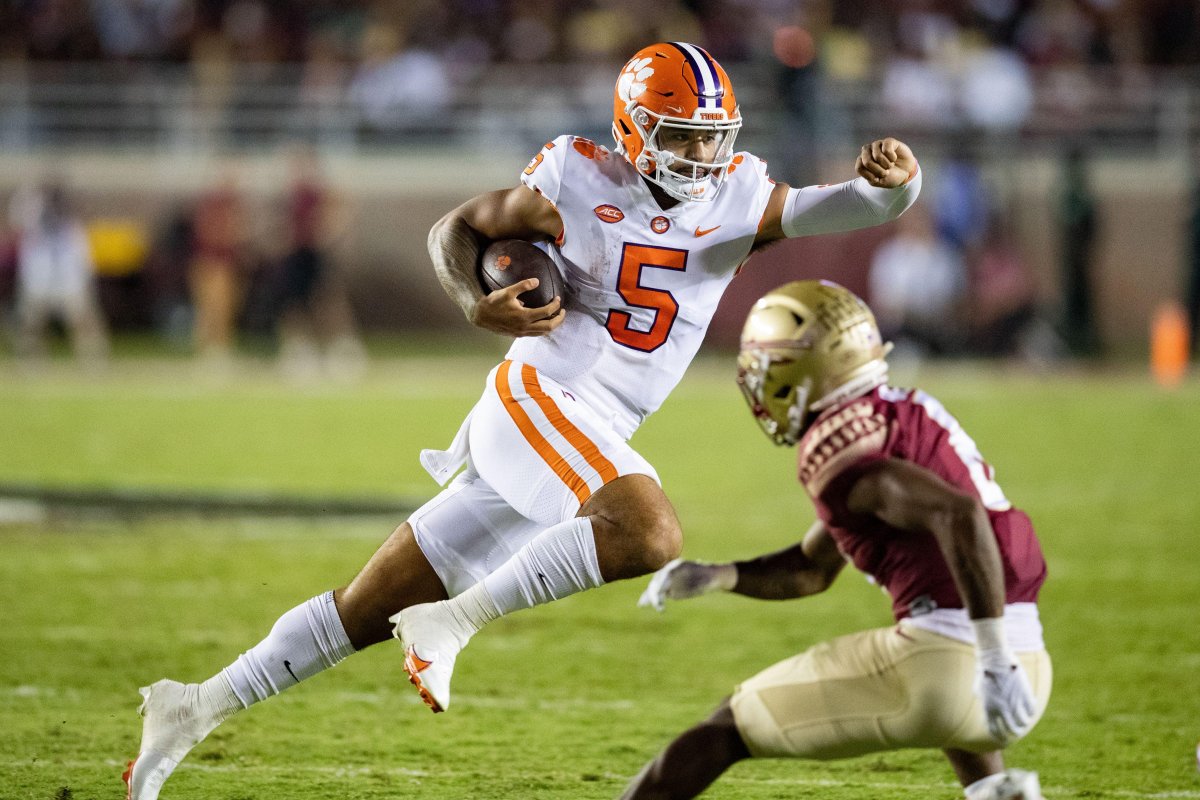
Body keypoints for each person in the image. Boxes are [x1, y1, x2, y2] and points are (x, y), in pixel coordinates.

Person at [124, 42, 922, 799]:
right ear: (634, 130)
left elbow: (855, 204)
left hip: (592, 426)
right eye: (682, 138)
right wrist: (478, 300)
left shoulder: (743, 196)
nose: (702, 160)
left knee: (360, 613)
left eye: (713, 141)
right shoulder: (577, 176)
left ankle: (191, 707)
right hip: (538, 397)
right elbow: (457, 230)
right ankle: (452, 624)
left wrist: (898, 185)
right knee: (650, 533)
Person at [620, 280, 1050, 800]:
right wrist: (719, 576)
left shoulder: (844, 456)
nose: (761, 386)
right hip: (1026, 664)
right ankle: (996, 793)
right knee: (949, 716)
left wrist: (992, 656)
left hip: (964, 663)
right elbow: (812, 567)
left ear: (813, 369)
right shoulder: (897, 416)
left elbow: (958, 514)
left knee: (724, 730)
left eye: (770, 369)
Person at [9, 180, 109, 366]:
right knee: (30, 326)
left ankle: (93, 363)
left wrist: (83, 284)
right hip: (39, 284)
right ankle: (31, 364)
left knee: (84, 324)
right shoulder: (34, 228)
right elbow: (17, 217)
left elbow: (84, 261)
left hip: (68, 285)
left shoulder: (72, 230)